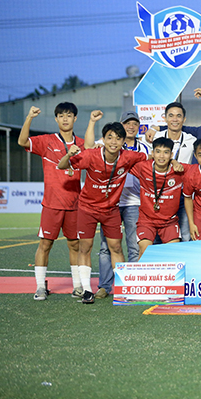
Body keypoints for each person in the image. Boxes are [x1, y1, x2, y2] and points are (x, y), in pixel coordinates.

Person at [58, 122, 149, 304]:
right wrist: (68, 154)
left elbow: (151, 156)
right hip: (87, 209)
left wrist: (173, 161)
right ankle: (86, 290)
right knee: (85, 248)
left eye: (118, 138)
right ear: (104, 139)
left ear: (123, 142)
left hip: (111, 210)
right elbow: (62, 166)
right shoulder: (91, 156)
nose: (113, 142)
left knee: (116, 248)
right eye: (110, 137)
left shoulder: (129, 156)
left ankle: (122, 289)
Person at [18, 103, 87, 300]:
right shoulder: (46, 141)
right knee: (45, 245)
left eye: (69, 115)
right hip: (51, 205)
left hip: (74, 205)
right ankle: (40, 287)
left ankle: (77, 286)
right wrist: (30, 117)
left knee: (75, 246)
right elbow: (22, 141)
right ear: (56, 119)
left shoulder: (82, 144)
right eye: (61, 115)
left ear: (75, 118)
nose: (65, 119)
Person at [95, 111, 151, 299]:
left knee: (134, 246)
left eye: (135, 124)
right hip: (111, 202)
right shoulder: (110, 143)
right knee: (106, 246)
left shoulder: (145, 147)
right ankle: (105, 286)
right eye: (127, 123)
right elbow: (91, 147)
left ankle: (131, 285)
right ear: (121, 125)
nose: (131, 127)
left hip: (135, 202)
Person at [129, 137, 187, 257]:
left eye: (166, 152)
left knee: (173, 254)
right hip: (147, 220)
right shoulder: (142, 167)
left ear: (171, 154)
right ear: (153, 153)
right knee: (145, 252)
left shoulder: (179, 170)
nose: (161, 156)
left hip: (169, 221)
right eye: (158, 151)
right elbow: (124, 160)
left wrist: (174, 162)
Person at [151, 102, 197, 242]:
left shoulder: (192, 140)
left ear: (184, 119)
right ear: (165, 118)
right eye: (171, 116)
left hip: (183, 195)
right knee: (158, 237)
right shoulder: (155, 137)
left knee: (185, 235)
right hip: (160, 193)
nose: (175, 119)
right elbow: (148, 159)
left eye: (178, 116)